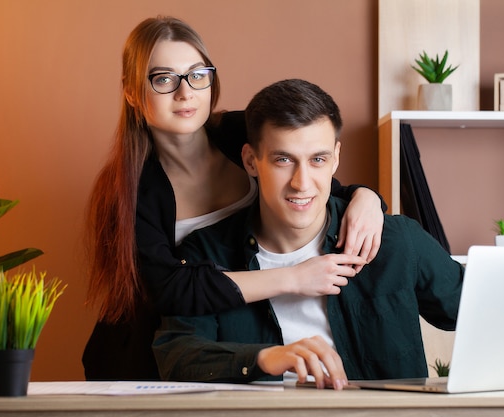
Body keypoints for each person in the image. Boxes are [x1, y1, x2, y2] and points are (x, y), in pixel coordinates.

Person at [82, 16, 387, 380]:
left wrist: (368, 198)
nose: (185, 93)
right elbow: (169, 290)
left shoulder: (239, 132)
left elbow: (313, 180)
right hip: (158, 356)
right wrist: (293, 278)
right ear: (132, 91)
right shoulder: (129, 187)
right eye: (164, 79)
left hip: (244, 329)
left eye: (197, 74)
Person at [152, 79, 464, 390]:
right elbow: (177, 356)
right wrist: (265, 358)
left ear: (335, 159)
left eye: (318, 160)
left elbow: (479, 313)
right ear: (251, 161)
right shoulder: (206, 253)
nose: (302, 183)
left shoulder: (397, 241)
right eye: (283, 160)